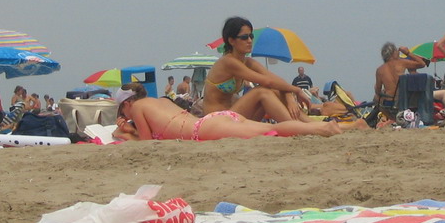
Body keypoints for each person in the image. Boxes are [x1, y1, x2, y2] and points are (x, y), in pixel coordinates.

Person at [112, 85, 352, 141]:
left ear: (127, 104)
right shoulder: (159, 101)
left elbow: (145, 143)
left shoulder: (140, 108)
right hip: (214, 121)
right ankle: (326, 127)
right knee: (269, 129)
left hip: (203, 130)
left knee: (272, 129)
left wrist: (125, 131)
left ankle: (322, 128)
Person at [203, 17, 313, 122]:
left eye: (251, 36)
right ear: (231, 41)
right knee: (261, 91)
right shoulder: (228, 62)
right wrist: (297, 90)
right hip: (216, 120)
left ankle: (309, 123)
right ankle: (295, 125)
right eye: (244, 37)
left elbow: (273, 79)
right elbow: (267, 81)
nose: (250, 40)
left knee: (273, 89)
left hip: (233, 116)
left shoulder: (248, 62)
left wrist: (288, 94)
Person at [373, 42, 426, 116]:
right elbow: (422, 64)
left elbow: (377, 91)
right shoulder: (401, 62)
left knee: (376, 98)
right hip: (403, 101)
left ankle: (390, 118)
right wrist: (408, 53)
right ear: (393, 53)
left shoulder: (379, 70)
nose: (398, 53)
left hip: (389, 103)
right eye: (397, 51)